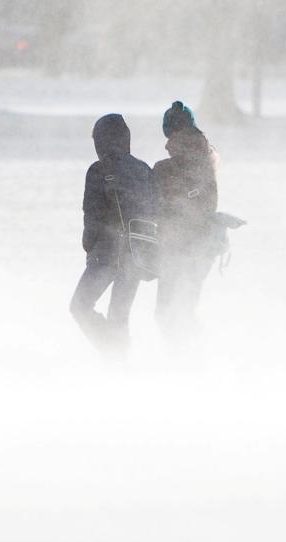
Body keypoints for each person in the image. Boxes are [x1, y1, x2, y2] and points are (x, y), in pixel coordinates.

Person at [70, 114, 153, 355]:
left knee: (80, 306)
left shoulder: (98, 171)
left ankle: (113, 354)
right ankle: (121, 364)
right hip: (137, 257)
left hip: (105, 256)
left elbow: (92, 216)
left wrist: (89, 246)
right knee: (120, 316)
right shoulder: (143, 169)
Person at [152, 101, 218, 338]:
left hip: (178, 249)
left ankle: (186, 362)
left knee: (167, 312)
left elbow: (157, 204)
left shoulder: (166, 169)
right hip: (201, 249)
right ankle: (193, 358)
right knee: (183, 310)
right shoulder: (206, 157)